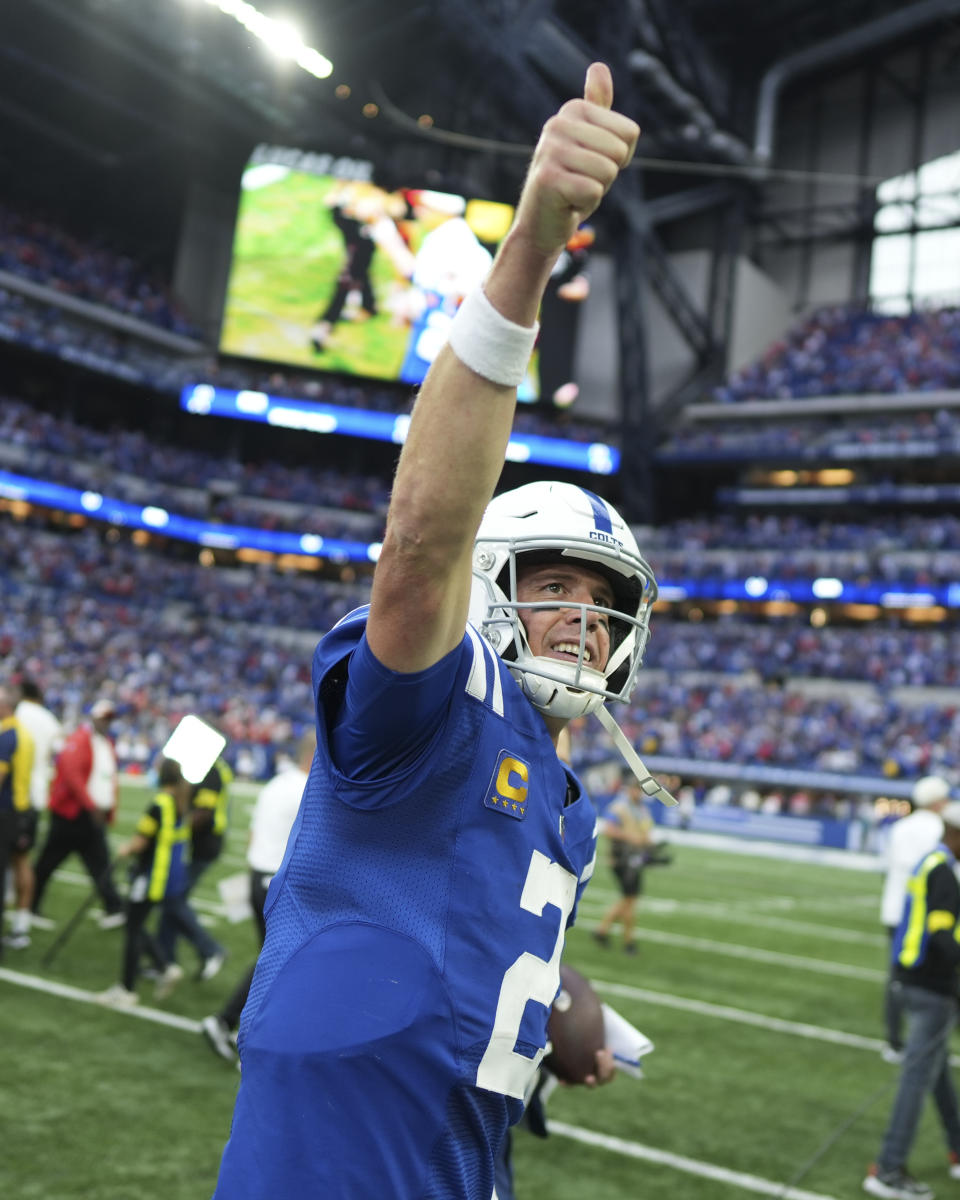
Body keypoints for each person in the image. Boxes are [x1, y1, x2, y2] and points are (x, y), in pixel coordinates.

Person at [212, 64, 665, 1200]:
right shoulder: (432, 708)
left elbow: (470, 944)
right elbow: (418, 545)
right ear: (494, 581)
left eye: (602, 600)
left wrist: (560, 1009)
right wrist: (530, 252)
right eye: (555, 584)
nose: (580, 617)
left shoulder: (563, 802)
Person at [863, 800, 960, 1200]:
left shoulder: (933, 861)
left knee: (936, 1076)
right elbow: (941, 935)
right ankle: (887, 1168)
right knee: (916, 1079)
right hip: (930, 985)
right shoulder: (943, 871)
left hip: (915, 981)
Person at [201, 730, 315, 1063]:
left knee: (279, 960)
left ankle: (238, 1024)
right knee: (278, 962)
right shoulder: (301, 788)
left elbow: (254, 833)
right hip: (274, 882)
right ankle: (229, 1023)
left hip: (257, 874)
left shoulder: (278, 783)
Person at [97, 757, 190, 1008]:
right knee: (136, 922)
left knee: (132, 930)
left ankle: (127, 989)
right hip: (162, 876)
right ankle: (164, 966)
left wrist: (125, 849)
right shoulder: (177, 802)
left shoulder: (159, 803)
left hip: (148, 877)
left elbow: (142, 841)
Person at [31, 698, 125, 927]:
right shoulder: (81, 739)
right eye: (104, 718)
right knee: (48, 862)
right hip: (72, 815)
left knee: (99, 863)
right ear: (93, 717)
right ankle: (29, 904)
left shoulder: (105, 743)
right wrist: (92, 806)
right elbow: (72, 775)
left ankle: (114, 907)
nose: (106, 723)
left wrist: (106, 810)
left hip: (91, 816)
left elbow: (106, 780)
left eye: (109, 719)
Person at [879, 775, 951, 1064]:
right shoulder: (939, 828)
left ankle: (894, 1040)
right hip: (921, 915)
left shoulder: (899, 826)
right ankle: (929, 1043)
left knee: (896, 979)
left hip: (893, 910)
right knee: (930, 983)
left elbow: (885, 866)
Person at [156, 756, 231, 980]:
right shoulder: (202, 765)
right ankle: (163, 960)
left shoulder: (211, 769)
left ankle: (210, 949)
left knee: (173, 899)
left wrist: (175, 830)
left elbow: (204, 813)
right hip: (197, 844)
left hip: (202, 846)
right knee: (171, 900)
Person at [7, 679, 62, 948]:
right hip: (35, 796)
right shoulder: (50, 720)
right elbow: (54, 757)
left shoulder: (17, 718)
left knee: (12, 861)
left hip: (15, 798)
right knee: (21, 861)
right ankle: (20, 925)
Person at [592, 775, 658, 954]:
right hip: (621, 858)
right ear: (630, 790)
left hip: (635, 859)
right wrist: (631, 838)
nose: (638, 793)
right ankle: (628, 941)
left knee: (629, 899)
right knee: (630, 899)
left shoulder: (642, 809)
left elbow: (645, 833)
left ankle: (602, 931)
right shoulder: (619, 808)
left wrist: (650, 847)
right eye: (636, 789)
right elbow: (609, 830)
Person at [0, 683, 34, 958]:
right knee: (17, 866)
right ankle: (19, 926)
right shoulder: (23, 733)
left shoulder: (8, 735)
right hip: (21, 810)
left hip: (6, 812)